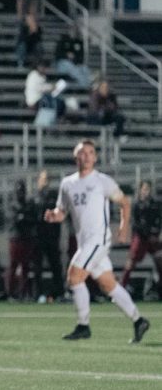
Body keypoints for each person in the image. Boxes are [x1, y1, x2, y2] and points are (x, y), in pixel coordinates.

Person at [44, 139, 150, 343]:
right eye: (82, 152)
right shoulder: (68, 183)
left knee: (74, 277)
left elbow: (125, 203)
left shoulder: (102, 181)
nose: (87, 156)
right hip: (84, 241)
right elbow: (62, 211)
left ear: (95, 157)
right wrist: (53, 216)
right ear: (75, 156)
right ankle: (139, 320)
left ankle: (83, 325)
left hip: (98, 240)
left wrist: (123, 227)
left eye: (91, 152)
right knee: (108, 284)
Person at [121, 181, 162, 294]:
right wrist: (146, 232)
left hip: (153, 238)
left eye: (148, 189)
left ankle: (159, 287)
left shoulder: (156, 204)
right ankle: (122, 286)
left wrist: (156, 233)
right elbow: (135, 223)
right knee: (131, 261)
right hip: (141, 237)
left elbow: (159, 220)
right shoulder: (136, 204)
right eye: (144, 189)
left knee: (160, 260)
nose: (146, 191)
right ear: (140, 190)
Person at [33, 169, 64, 301]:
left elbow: (58, 214)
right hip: (39, 237)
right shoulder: (34, 197)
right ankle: (39, 293)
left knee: (56, 266)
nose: (45, 182)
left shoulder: (54, 197)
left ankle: (58, 293)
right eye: (43, 178)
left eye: (47, 179)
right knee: (37, 267)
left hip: (52, 236)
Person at [6, 180, 39, 301]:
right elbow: (14, 220)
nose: (21, 193)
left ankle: (24, 292)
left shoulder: (29, 204)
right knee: (13, 265)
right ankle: (11, 292)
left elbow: (32, 219)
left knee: (25, 266)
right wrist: (22, 217)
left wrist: (23, 217)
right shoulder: (12, 204)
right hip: (15, 238)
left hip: (26, 238)